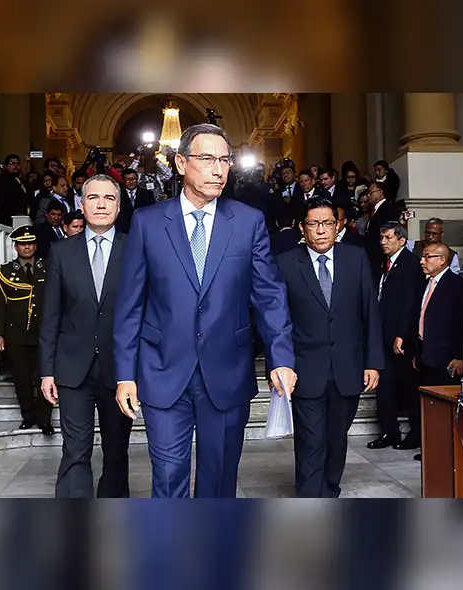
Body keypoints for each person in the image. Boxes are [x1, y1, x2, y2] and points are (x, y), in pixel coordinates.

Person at [113, 123, 297, 498]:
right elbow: (130, 303)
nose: (218, 169)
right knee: (168, 476)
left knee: (219, 479)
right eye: (207, 159)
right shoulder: (148, 223)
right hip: (162, 371)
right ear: (181, 163)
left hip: (227, 371)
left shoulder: (248, 222)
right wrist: (125, 374)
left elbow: (269, 295)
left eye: (225, 160)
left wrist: (282, 358)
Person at [276, 198, 383, 497]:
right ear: (302, 228)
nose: (321, 231)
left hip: (347, 368)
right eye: (313, 224)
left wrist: (372, 361)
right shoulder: (285, 263)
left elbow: (369, 312)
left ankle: (330, 491)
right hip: (305, 369)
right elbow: (278, 320)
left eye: (327, 223)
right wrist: (281, 363)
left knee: (337, 439)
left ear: (338, 226)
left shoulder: (357, 258)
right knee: (311, 441)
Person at [40, 174, 133, 498]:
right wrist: (46, 370)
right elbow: (51, 314)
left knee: (116, 453)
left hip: (119, 371)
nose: (101, 204)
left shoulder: (134, 249)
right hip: (71, 369)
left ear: (119, 207)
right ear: (81, 204)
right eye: (93, 197)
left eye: (109, 198)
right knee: (75, 451)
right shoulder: (61, 252)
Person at [367, 221, 426, 451]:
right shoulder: (385, 263)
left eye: (388, 238)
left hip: (402, 338)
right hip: (383, 335)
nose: (383, 242)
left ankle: (415, 434)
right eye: (381, 238)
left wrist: (402, 334)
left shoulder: (411, 264)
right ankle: (389, 432)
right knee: (385, 386)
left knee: (408, 387)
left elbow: (410, 303)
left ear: (401, 240)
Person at [0, 225, 54, 435]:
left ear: (35, 245)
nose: (26, 248)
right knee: (22, 379)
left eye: (30, 243)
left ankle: (44, 420)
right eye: (22, 244)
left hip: (45, 335)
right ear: (16, 246)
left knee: (44, 377)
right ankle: (28, 417)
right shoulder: (6, 271)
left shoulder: (48, 267)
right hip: (16, 335)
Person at [414, 242, 463, 461]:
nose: (422, 260)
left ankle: (448, 450)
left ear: (442, 260)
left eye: (427, 257)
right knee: (430, 406)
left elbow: (462, 324)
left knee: (446, 407)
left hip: (447, 357)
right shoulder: (425, 283)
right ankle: (432, 447)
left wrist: (460, 356)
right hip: (426, 353)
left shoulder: (458, 286)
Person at [361, 183, 402, 277]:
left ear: (380, 192)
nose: (368, 196)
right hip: (372, 254)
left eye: (371, 193)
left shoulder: (388, 208)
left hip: (381, 254)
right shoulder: (373, 210)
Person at [0, 154, 32, 225]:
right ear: (6, 166)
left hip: (23, 218)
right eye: (12, 163)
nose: (15, 166)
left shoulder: (21, 181)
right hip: (9, 218)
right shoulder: (1, 178)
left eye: (17, 164)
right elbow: (3, 198)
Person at [115, 167, 157, 234]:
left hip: (142, 230)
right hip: (122, 232)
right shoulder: (117, 195)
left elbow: (151, 213)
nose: (131, 182)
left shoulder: (147, 194)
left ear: (137, 180)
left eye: (133, 179)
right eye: (128, 179)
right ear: (123, 180)